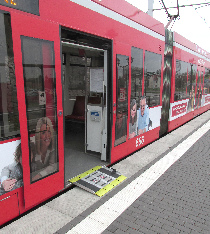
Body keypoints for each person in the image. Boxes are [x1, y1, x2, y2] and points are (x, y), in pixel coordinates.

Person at [31, 117, 57, 181]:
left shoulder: (53, 147)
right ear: (38, 135)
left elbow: (53, 166)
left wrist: (39, 175)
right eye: (43, 133)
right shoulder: (32, 146)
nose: (47, 136)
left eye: (49, 132)